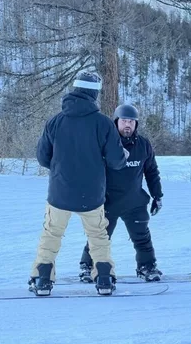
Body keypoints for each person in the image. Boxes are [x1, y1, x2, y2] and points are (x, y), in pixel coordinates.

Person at [28, 71, 128, 296]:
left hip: (60, 192)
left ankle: (43, 278)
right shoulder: (103, 124)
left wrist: (60, 167)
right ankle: (103, 278)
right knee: (98, 235)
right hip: (92, 194)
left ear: (74, 90)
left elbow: (43, 157)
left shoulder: (55, 121)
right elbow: (116, 161)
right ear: (94, 94)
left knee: (51, 234)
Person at [79, 103, 164, 282]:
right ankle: (88, 266)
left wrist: (157, 196)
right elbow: (90, 171)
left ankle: (146, 267)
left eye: (132, 122)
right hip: (107, 201)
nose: (128, 125)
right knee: (100, 237)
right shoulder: (105, 144)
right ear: (116, 122)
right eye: (124, 121)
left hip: (135, 202)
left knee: (142, 238)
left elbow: (152, 172)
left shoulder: (144, 146)